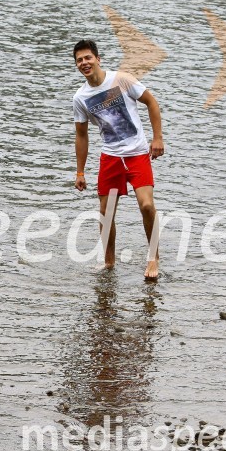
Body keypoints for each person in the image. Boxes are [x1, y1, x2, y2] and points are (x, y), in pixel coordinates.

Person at [71, 39, 165, 278]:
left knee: (146, 205)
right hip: (110, 157)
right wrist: (80, 172)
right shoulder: (80, 98)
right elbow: (81, 135)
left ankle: (153, 258)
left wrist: (157, 138)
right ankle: (109, 262)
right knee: (106, 212)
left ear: (98, 59)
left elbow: (151, 102)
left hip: (137, 154)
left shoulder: (121, 80)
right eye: (79, 60)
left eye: (88, 58)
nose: (84, 63)